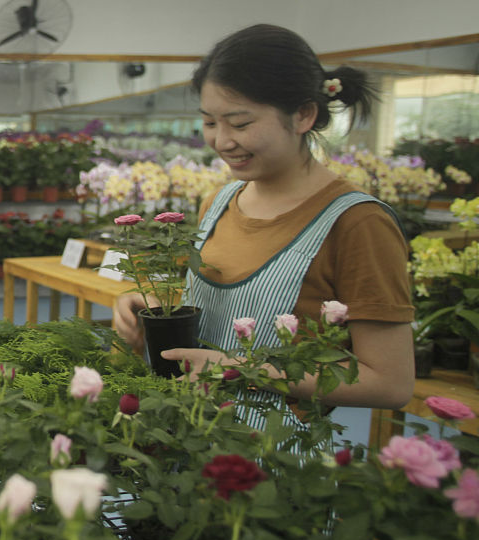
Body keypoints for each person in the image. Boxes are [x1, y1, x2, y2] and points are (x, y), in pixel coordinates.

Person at [112, 24, 414, 412]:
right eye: (209, 122)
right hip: (189, 439)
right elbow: (222, 319)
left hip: (274, 457)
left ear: (304, 115)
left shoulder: (357, 223)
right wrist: (157, 307)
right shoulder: (219, 202)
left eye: (240, 124)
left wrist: (241, 369)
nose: (222, 141)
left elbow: (390, 383)